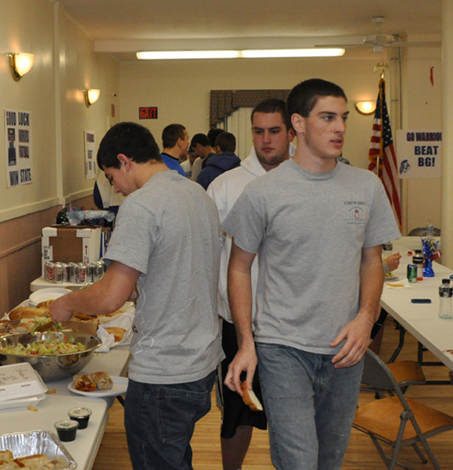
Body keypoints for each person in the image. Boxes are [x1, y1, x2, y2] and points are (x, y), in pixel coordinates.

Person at [222, 79, 401, 470]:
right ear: (298, 124)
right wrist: (246, 342)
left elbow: (372, 262)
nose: (339, 127)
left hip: (345, 350)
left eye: (343, 118)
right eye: (327, 117)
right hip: (283, 348)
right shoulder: (263, 193)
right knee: (299, 462)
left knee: (329, 461)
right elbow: (238, 267)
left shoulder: (366, 186)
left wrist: (365, 320)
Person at [50, 122, 223, 470]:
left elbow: (112, 296)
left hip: (164, 370)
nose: (116, 188)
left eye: (112, 177)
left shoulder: (142, 205)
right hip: (201, 362)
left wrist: (67, 302)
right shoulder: (198, 195)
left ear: (125, 160)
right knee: (175, 457)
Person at [206, 98, 293, 470]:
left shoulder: (306, 182)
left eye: (274, 131)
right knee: (237, 416)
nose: (266, 139)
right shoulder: (226, 186)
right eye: (258, 131)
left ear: (292, 132)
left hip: (292, 325)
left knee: (292, 418)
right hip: (240, 324)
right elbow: (209, 257)